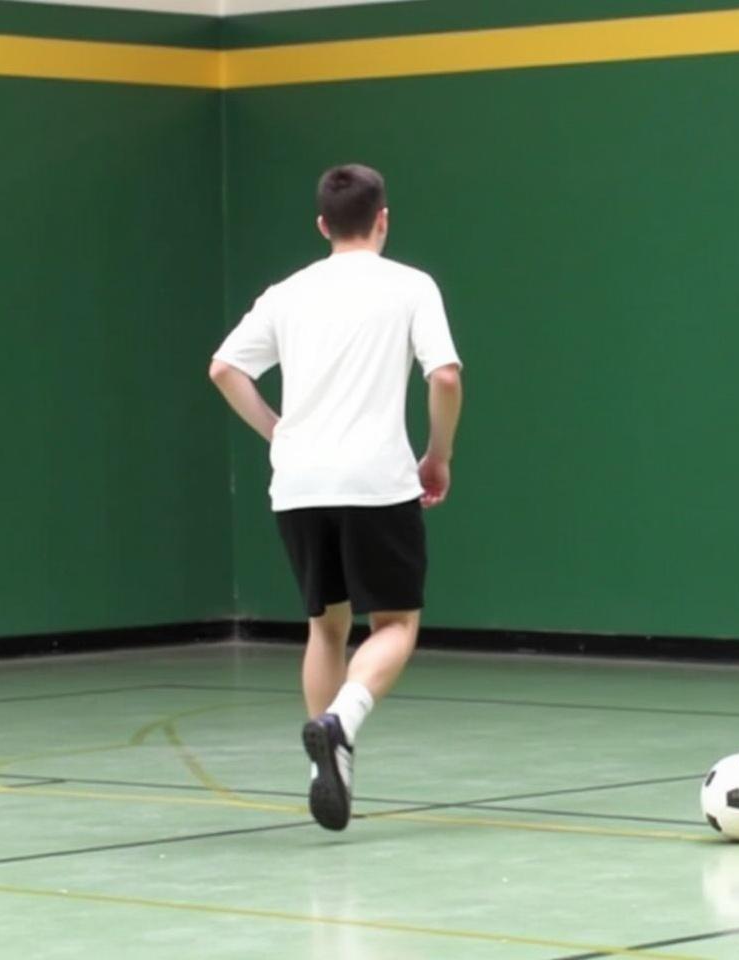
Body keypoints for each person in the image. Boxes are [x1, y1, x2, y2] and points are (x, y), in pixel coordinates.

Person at [209, 163, 463, 827]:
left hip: (298, 483)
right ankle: (341, 723)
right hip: (375, 480)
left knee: (327, 626)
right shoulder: (410, 285)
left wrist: (277, 433)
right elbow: (444, 375)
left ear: (322, 225)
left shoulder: (288, 292)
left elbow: (224, 369)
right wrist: (437, 456)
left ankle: (326, 762)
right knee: (396, 623)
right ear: (383, 218)